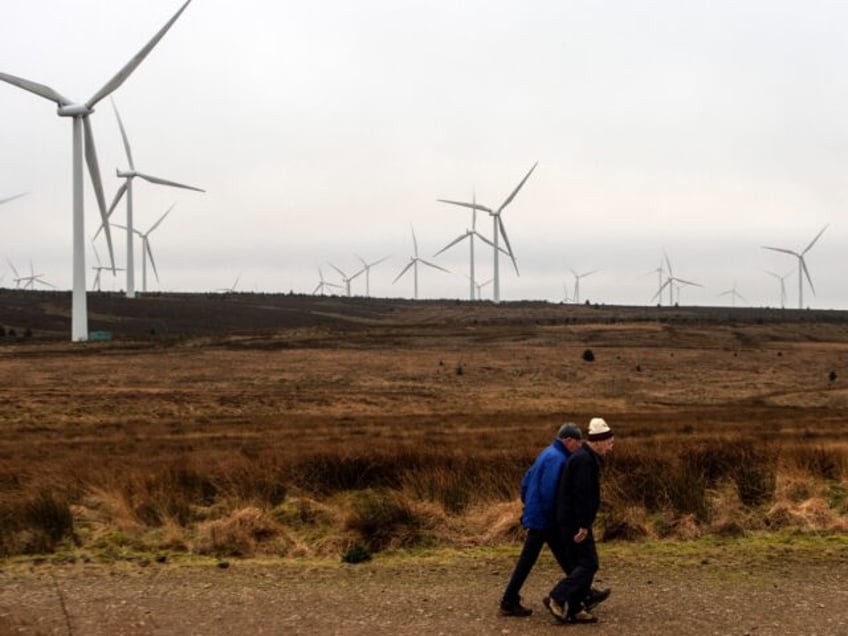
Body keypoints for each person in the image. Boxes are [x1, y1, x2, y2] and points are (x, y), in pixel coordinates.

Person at [499, 422, 584, 617]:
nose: (579, 446)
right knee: (533, 559)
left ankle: (584, 591)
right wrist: (556, 516)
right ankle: (508, 600)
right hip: (546, 518)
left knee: (557, 555)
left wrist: (528, 505)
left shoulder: (548, 453)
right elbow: (550, 492)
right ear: (568, 440)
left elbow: (526, 481)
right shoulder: (559, 458)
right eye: (578, 442)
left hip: (538, 515)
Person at [544, 417, 616, 624]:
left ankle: (575, 609)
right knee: (589, 564)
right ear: (599, 441)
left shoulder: (583, 457)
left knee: (579, 564)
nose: (610, 448)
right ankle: (557, 597)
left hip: (570, 521)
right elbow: (582, 496)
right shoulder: (585, 461)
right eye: (609, 443)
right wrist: (584, 525)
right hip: (575, 523)